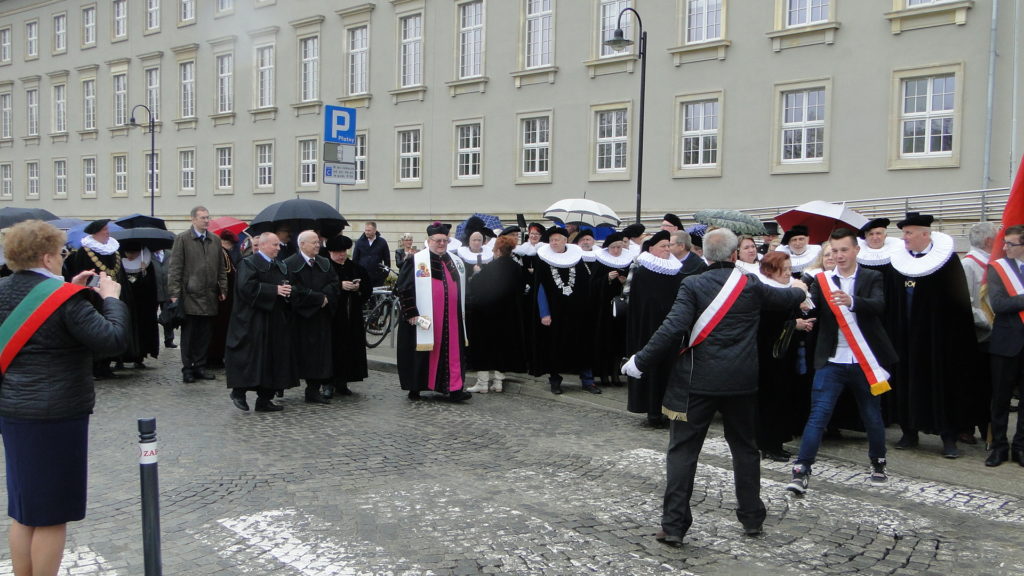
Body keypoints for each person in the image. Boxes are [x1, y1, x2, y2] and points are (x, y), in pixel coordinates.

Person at [621, 228, 807, 546]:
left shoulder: (692, 283)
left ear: (704, 255)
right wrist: (800, 289)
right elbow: (784, 297)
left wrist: (640, 361)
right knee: (746, 451)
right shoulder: (750, 284)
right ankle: (751, 518)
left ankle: (674, 526)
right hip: (741, 382)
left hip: (696, 382)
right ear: (734, 255)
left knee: (683, 453)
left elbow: (672, 327)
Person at [0, 220, 128, 576]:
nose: (62, 258)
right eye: (60, 253)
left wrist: (67, 291)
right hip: (57, 416)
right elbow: (113, 340)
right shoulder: (64, 300)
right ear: (46, 257)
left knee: (24, 510)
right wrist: (111, 300)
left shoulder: (3, 290)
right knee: (52, 517)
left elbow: (34, 320)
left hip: (13, 411)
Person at [786, 228, 898, 494]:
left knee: (872, 415)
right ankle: (801, 470)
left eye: (843, 250)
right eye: (834, 251)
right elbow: (814, 310)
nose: (838, 256)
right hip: (832, 360)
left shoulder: (873, 277)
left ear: (856, 250)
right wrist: (801, 301)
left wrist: (853, 301)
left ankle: (878, 462)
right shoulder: (821, 280)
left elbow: (880, 306)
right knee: (818, 415)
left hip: (865, 361)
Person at [889, 212, 978, 458]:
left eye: (909, 233)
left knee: (942, 388)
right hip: (905, 339)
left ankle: (948, 437)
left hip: (937, 341)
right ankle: (909, 431)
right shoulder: (899, 262)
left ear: (925, 234)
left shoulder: (946, 263)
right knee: (906, 385)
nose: (904, 238)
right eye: (904, 233)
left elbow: (958, 305)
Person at [396, 222, 472, 402]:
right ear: (429, 241)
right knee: (421, 354)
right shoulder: (415, 260)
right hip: (424, 318)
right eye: (438, 240)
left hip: (452, 319)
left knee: (453, 354)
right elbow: (404, 288)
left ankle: (454, 389)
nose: (441, 244)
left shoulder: (455, 261)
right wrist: (411, 313)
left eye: (445, 241)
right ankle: (416, 387)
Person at [225, 233, 297, 412]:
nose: (278, 248)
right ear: (263, 245)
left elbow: (288, 286)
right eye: (275, 245)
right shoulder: (249, 263)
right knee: (249, 357)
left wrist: (288, 291)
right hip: (252, 320)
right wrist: (274, 290)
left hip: (275, 320)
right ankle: (239, 392)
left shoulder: (280, 265)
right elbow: (246, 288)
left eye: (278, 245)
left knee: (273, 359)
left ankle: (265, 399)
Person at [755, 251, 813, 461]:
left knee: (782, 399)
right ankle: (767, 444)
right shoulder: (765, 292)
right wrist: (792, 324)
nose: (789, 273)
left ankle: (776, 442)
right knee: (769, 400)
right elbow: (764, 328)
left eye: (790, 269)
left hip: (784, 356)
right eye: (785, 269)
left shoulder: (785, 289)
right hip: (768, 358)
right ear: (771, 271)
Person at [530, 226, 599, 395]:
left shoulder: (577, 258)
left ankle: (587, 380)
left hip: (578, 312)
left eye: (557, 239)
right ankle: (555, 380)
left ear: (565, 240)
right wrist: (544, 312)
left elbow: (586, 285)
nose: (554, 242)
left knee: (583, 345)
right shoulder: (543, 260)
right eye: (551, 240)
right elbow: (540, 288)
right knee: (554, 346)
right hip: (555, 312)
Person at [625, 231, 683, 427]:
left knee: (669, 369)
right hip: (647, 328)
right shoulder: (642, 272)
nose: (667, 250)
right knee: (652, 369)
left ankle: (667, 409)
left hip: (670, 328)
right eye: (663, 246)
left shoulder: (676, 272)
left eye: (668, 246)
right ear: (651, 249)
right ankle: (652, 411)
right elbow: (638, 305)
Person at [167, 206, 228, 384]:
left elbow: (221, 268)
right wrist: (174, 293)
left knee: (205, 334)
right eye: (202, 218)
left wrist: (223, 288)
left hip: (209, 295)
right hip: (189, 295)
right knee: (189, 335)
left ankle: (200, 365)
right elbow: (175, 267)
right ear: (193, 219)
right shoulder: (183, 239)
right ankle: (187, 368)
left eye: (208, 217)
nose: (206, 221)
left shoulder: (215, 240)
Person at [63, 219, 128, 379]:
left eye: (107, 229)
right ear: (95, 232)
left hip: (112, 294)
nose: (107, 232)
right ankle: (95, 365)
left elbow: (120, 274)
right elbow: (81, 273)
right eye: (104, 230)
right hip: (94, 296)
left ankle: (107, 364)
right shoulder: (85, 252)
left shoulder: (114, 250)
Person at [465, 235, 529, 393]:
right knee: (503, 348)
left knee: (484, 348)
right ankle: (498, 382)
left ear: (499, 250)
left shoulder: (490, 268)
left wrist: (477, 274)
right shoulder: (517, 268)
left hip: (487, 316)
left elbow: (476, 290)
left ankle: (482, 383)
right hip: (509, 316)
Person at [285, 230, 340, 405]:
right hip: (300, 318)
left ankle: (314, 390)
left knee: (319, 356)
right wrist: (317, 299)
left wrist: (325, 298)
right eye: (313, 242)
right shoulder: (290, 264)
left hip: (320, 318)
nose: (318, 245)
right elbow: (292, 290)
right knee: (297, 354)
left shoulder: (324, 262)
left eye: (318, 242)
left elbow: (334, 283)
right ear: (302, 244)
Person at [985, 224, 1024, 467]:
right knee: (1000, 398)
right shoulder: (998, 268)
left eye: (1011, 244)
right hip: (1005, 343)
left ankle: (1020, 447)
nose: (1005, 248)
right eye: (1005, 243)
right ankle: (999, 446)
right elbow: (998, 304)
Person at [962, 221, 997, 447]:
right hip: (977, 335)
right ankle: (966, 427)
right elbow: (965, 303)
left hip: (993, 336)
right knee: (974, 386)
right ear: (988, 241)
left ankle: (986, 428)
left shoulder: (993, 264)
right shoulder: (968, 265)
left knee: (988, 386)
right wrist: (991, 321)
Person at [325, 235, 370, 398]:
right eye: (337, 252)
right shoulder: (325, 267)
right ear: (330, 252)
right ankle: (328, 382)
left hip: (352, 317)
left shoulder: (355, 268)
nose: (341, 255)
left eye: (343, 251)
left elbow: (367, 290)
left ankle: (343, 382)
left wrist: (358, 287)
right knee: (332, 350)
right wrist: (339, 285)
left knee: (349, 350)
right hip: (332, 318)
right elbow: (321, 287)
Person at [590, 232, 633, 387]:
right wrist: (606, 279)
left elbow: (632, 284)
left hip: (621, 310)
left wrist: (623, 282)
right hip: (604, 310)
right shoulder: (600, 261)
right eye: (613, 247)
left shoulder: (627, 261)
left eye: (619, 247)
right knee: (604, 342)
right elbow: (592, 285)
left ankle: (615, 373)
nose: (616, 250)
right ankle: (603, 374)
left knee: (618, 342)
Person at [119, 242, 159, 369]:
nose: (130, 256)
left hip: (142, 306)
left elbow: (151, 288)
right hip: (125, 304)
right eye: (128, 253)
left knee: (141, 332)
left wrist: (144, 273)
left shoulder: (148, 265)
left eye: (133, 253)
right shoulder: (119, 265)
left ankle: (139, 357)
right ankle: (120, 358)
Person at [207, 231, 236, 369]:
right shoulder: (222, 253)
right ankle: (215, 357)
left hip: (225, 298)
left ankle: (216, 356)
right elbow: (226, 274)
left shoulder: (223, 253)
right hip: (223, 298)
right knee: (219, 329)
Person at [150, 249, 176, 349]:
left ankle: (169, 340)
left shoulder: (169, 254)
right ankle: (153, 342)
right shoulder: (148, 255)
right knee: (152, 318)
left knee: (168, 317)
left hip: (167, 291)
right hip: (154, 292)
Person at [353, 221, 391, 287]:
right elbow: (355, 260)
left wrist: (384, 275)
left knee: (376, 297)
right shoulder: (359, 242)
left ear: (375, 230)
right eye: (366, 230)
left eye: (369, 230)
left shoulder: (382, 242)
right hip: (363, 277)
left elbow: (387, 259)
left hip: (378, 278)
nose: (367, 232)